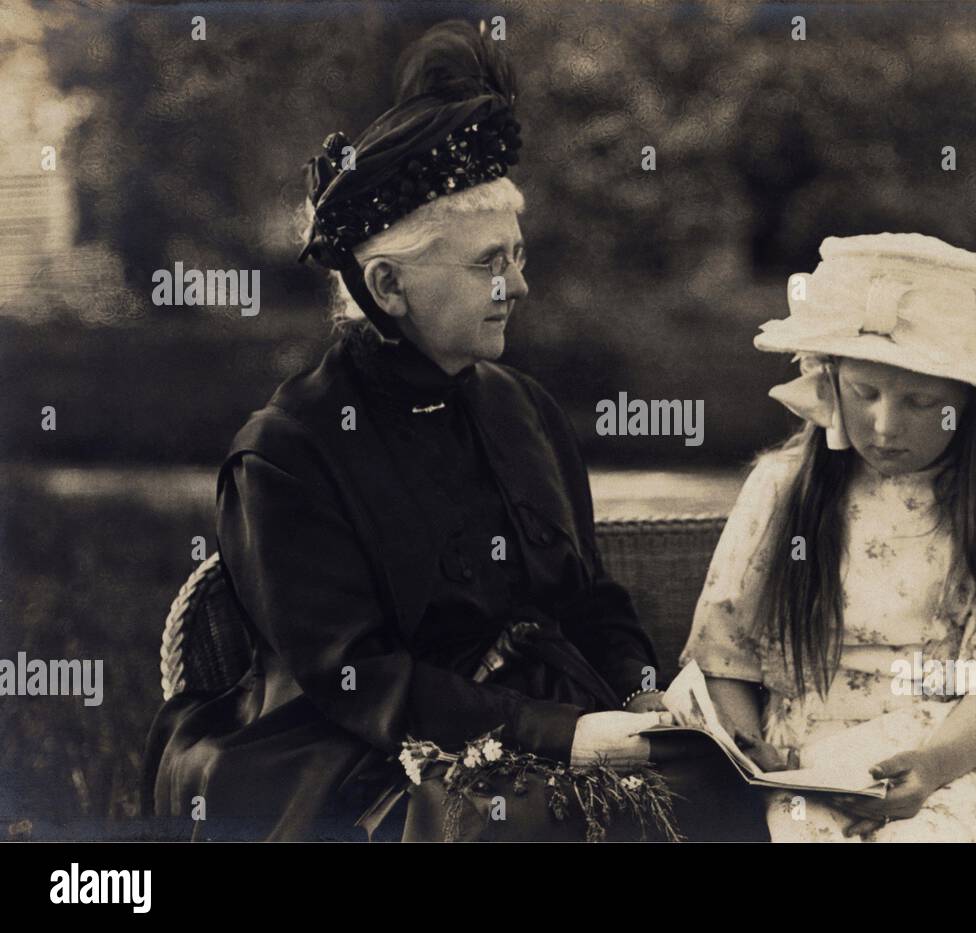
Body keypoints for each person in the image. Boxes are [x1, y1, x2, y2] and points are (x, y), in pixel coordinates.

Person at [141, 20, 766, 842]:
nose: (519, 285)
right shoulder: (287, 453)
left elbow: (590, 597)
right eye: (487, 265)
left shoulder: (524, 409)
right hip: (355, 751)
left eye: (516, 255)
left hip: (540, 717)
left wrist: (640, 694)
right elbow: (359, 678)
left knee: (718, 788)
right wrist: (568, 737)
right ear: (388, 285)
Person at [681, 232, 976, 842]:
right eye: (864, 393)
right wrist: (753, 751)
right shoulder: (781, 489)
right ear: (828, 381)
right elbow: (726, 653)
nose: (884, 424)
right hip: (803, 763)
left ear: (970, 402)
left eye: (921, 402)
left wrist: (931, 766)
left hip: (948, 757)